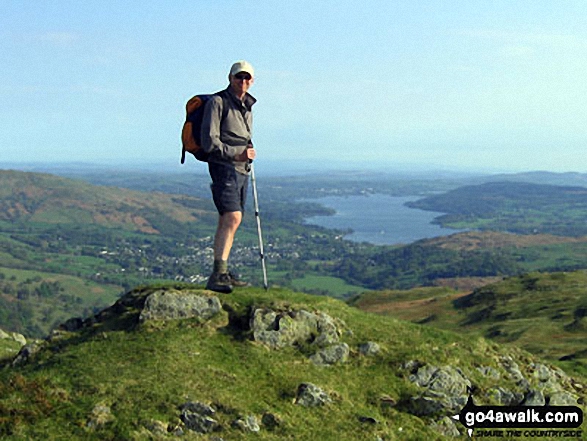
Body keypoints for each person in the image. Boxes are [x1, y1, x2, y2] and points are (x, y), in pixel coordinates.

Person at [200, 60, 257, 293]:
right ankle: (218, 274)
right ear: (230, 78)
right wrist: (239, 153)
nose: (242, 82)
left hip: (241, 169)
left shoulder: (247, 105)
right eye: (238, 77)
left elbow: (243, 136)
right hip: (224, 166)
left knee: (232, 219)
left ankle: (221, 270)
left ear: (252, 81)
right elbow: (209, 142)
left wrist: (247, 153)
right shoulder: (218, 102)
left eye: (247, 78)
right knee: (232, 217)